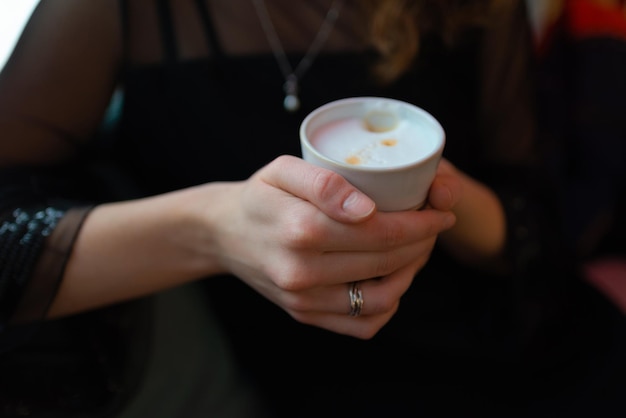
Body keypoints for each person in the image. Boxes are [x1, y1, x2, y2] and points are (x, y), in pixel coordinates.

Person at [0, 0, 624, 417]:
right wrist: (211, 228)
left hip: (530, 357)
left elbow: (538, 221)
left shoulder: (474, 8)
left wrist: (441, 199)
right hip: (311, 383)